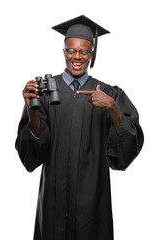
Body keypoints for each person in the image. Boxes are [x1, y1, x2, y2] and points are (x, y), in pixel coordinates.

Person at [15, 15, 144, 240]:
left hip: (92, 200)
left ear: (92, 53)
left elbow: (129, 145)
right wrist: (31, 110)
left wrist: (112, 107)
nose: (77, 57)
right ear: (64, 51)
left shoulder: (109, 93)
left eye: (84, 51)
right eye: (71, 50)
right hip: (53, 199)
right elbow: (32, 155)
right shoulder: (45, 92)